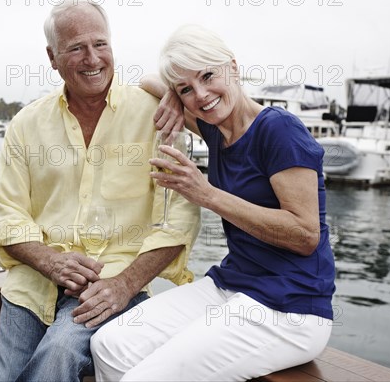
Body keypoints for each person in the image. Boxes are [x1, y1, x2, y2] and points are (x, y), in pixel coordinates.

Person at [91, 24, 336, 381]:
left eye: (208, 76)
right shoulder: (214, 125)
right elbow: (147, 80)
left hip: (292, 306)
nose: (202, 95)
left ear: (233, 67)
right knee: (109, 345)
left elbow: (305, 235)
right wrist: (173, 96)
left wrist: (205, 194)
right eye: (188, 88)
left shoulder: (279, 130)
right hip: (232, 284)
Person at [0, 0, 201, 382]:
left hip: (116, 285)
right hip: (32, 285)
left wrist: (124, 284)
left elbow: (177, 221)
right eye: (76, 48)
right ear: (52, 57)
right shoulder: (25, 124)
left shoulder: (157, 117)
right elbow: (8, 215)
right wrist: (51, 261)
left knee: (57, 355)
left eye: (100, 44)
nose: (93, 58)